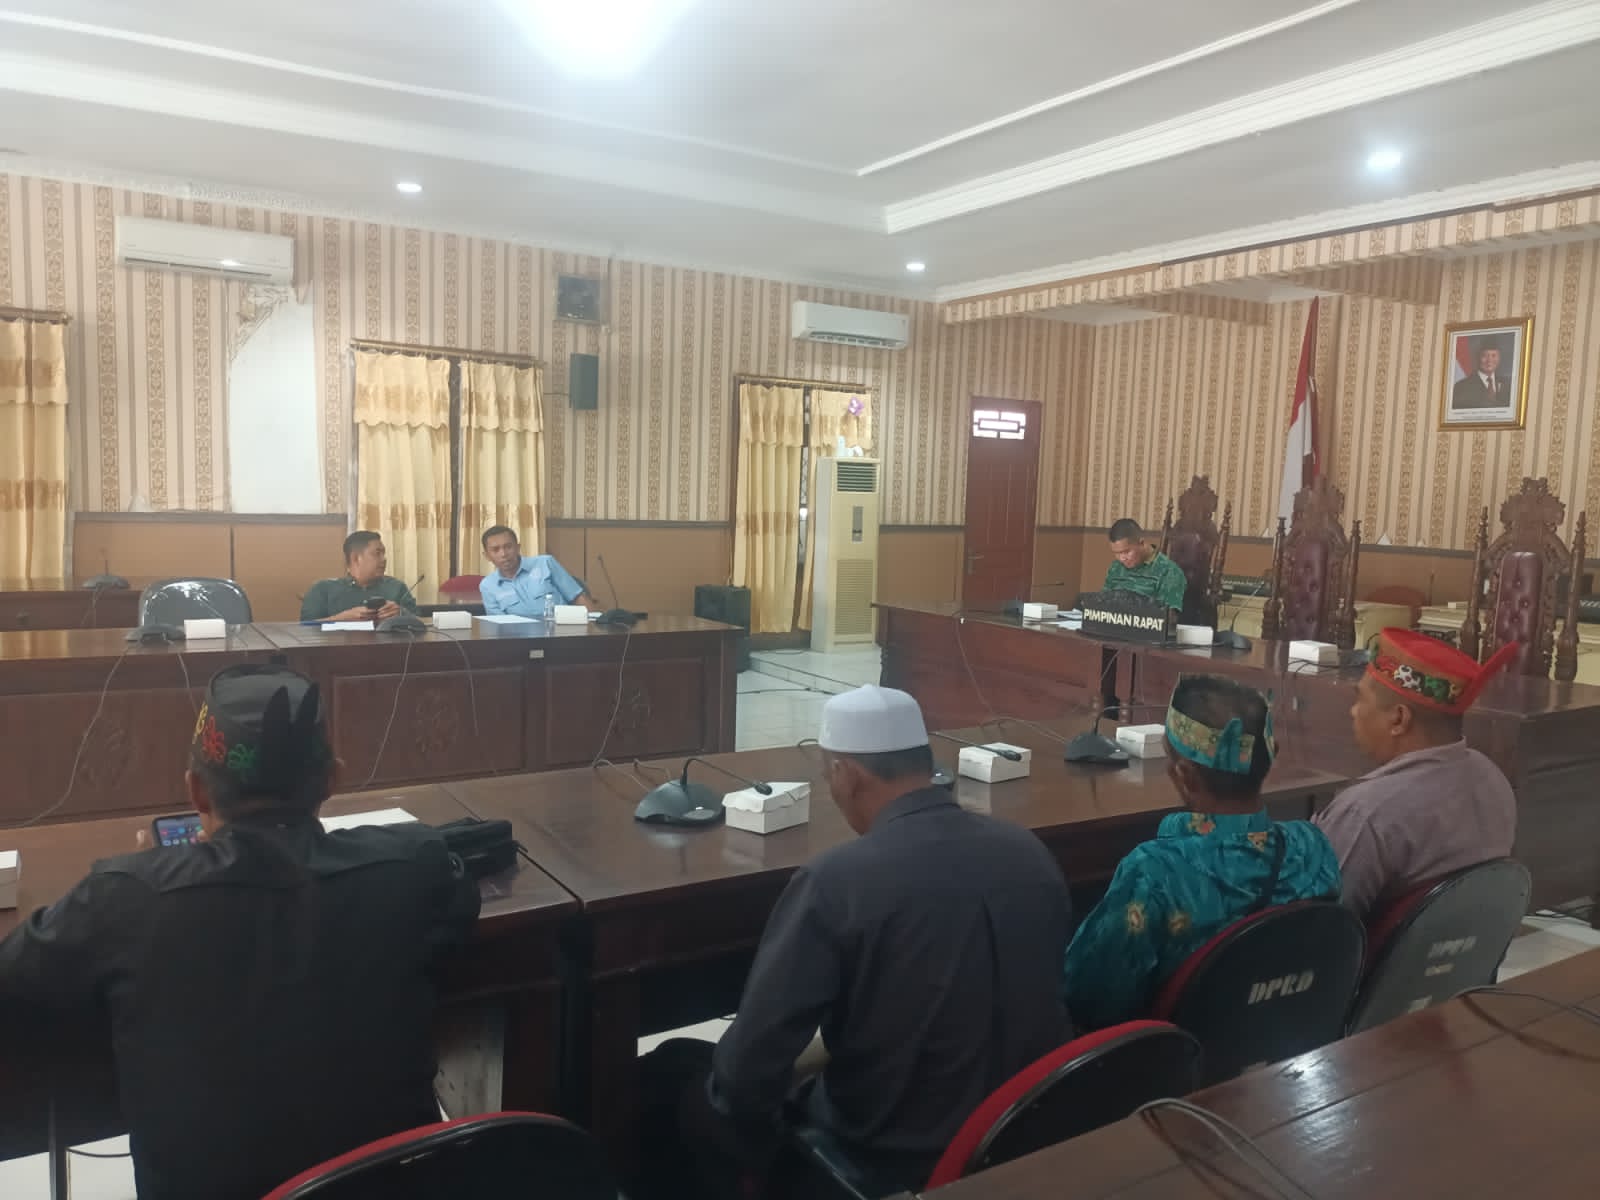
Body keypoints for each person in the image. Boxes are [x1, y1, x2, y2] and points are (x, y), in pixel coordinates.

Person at [0, 665, 481, 1200]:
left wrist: (154, 874)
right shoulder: (413, 866)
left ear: (196, 791)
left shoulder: (125, 897)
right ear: (332, 780)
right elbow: (457, 907)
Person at [648, 685, 1072, 1198]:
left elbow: (745, 1077)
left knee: (676, 1084)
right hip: (1024, 1136)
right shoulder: (1029, 851)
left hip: (887, 1160)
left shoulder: (837, 881)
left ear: (845, 774)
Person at [1062, 674, 1340, 1030]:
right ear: (1268, 758)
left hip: (1177, 1058)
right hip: (1284, 1042)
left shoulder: (1155, 874)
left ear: (1185, 775)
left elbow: (1087, 1000)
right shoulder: (1313, 848)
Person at [1314, 628, 1519, 920]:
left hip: (1373, 952)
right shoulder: (1492, 777)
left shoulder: (1366, 813)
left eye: (1360, 700)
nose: (1353, 712)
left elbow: (1323, 927)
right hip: (1466, 948)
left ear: (1399, 719)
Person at [300, 530, 419, 622]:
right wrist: (340, 619)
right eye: (377, 553)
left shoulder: (396, 588)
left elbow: (421, 624)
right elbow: (304, 628)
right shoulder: (323, 590)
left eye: (384, 554)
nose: (384, 559)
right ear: (355, 558)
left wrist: (402, 613)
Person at [479, 525, 594, 617]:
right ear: (487, 556)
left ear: (518, 548)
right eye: (495, 550)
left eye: (508, 547)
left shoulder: (545, 563)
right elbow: (499, 624)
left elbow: (577, 598)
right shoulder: (488, 586)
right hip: (519, 636)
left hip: (561, 632)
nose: (503, 554)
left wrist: (595, 629)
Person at [1103, 517, 1187, 611]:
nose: (1122, 558)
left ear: (1142, 543)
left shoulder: (1169, 572)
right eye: (1117, 553)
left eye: (1126, 552)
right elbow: (1103, 604)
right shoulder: (1116, 567)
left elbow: (1168, 616)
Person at [1452, 344, 1510, 410]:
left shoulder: (1507, 384)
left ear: (1499, 358)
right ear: (1478, 358)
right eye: (1484, 356)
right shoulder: (1461, 387)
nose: (1489, 360)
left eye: (1494, 355)